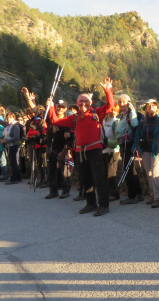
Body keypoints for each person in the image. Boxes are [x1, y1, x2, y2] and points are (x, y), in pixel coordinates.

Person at [46, 77, 115, 217]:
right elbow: (55, 121)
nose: (83, 103)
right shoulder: (75, 117)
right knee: (85, 179)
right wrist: (51, 107)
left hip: (95, 150)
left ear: (91, 103)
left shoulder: (97, 113)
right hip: (79, 152)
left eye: (86, 101)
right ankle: (91, 203)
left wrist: (108, 90)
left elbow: (110, 105)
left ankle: (104, 205)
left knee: (99, 178)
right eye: (81, 101)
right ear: (77, 103)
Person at [132, 99, 159, 209]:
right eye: (148, 107)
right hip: (145, 148)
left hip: (157, 148)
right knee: (149, 173)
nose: (151, 108)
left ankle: (158, 197)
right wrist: (134, 146)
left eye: (153, 106)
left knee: (155, 173)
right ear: (146, 109)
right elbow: (138, 134)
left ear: (157, 107)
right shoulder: (143, 120)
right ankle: (153, 195)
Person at [114, 94, 145, 205]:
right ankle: (139, 193)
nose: (121, 104)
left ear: (129, 102)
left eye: (123, 101)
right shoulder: (123, 114)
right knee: (130, 168)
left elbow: (135, 124)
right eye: (119, 101)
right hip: (124, 143)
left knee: (126, 169)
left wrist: (131, 110)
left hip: (128, 142)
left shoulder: (131, 113)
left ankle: (132, 196)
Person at [45, 99, 72, 199]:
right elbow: (38, 111)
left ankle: (66, 190)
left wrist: (64, 151)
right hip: (53, 146)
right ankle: (53, 191)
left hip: (64, 147)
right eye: (58, 106)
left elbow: (68, 138)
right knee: (51, 169)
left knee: (64, 170)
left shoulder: (67, 120)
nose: (60, 108)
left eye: (62, 107)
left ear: (65, 109)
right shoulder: (52, 119)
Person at [102, 105, 121, 201]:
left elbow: (118, 140)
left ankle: (114, 194)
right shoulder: (103, 120)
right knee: (105, 173)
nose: (112, 112)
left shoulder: (116, 123)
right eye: (111, 109)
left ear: (117, 113)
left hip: (113, 151)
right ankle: (108, 193)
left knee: (111, 173)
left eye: (115, 111)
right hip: (103, 151)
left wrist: (107, 143)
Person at [1, 112, 24, 185]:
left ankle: (14, 178)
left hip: (14, 145)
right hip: (9, 145)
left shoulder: (15, 126)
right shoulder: (8, 125)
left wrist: (6, 140)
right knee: (13, 162)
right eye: (7, 117)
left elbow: (16, 137)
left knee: (14, 162)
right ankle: (18, 177)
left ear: (13, 118)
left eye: (10, 117)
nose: (8, 119)